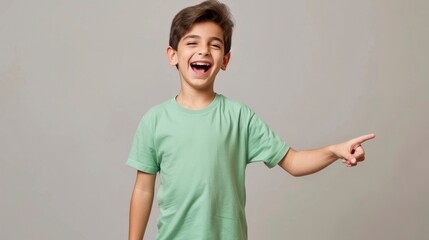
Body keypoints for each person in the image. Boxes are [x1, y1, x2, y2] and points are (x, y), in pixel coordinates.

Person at [126, 1, 375, 239]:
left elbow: (293, 161)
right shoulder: (154, 121)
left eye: (214, 45)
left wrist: (334, 151)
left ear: (225, 60)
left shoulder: (239, 117)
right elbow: (143, 189)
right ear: (173, 55)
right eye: (192, 42)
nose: (203, 50)